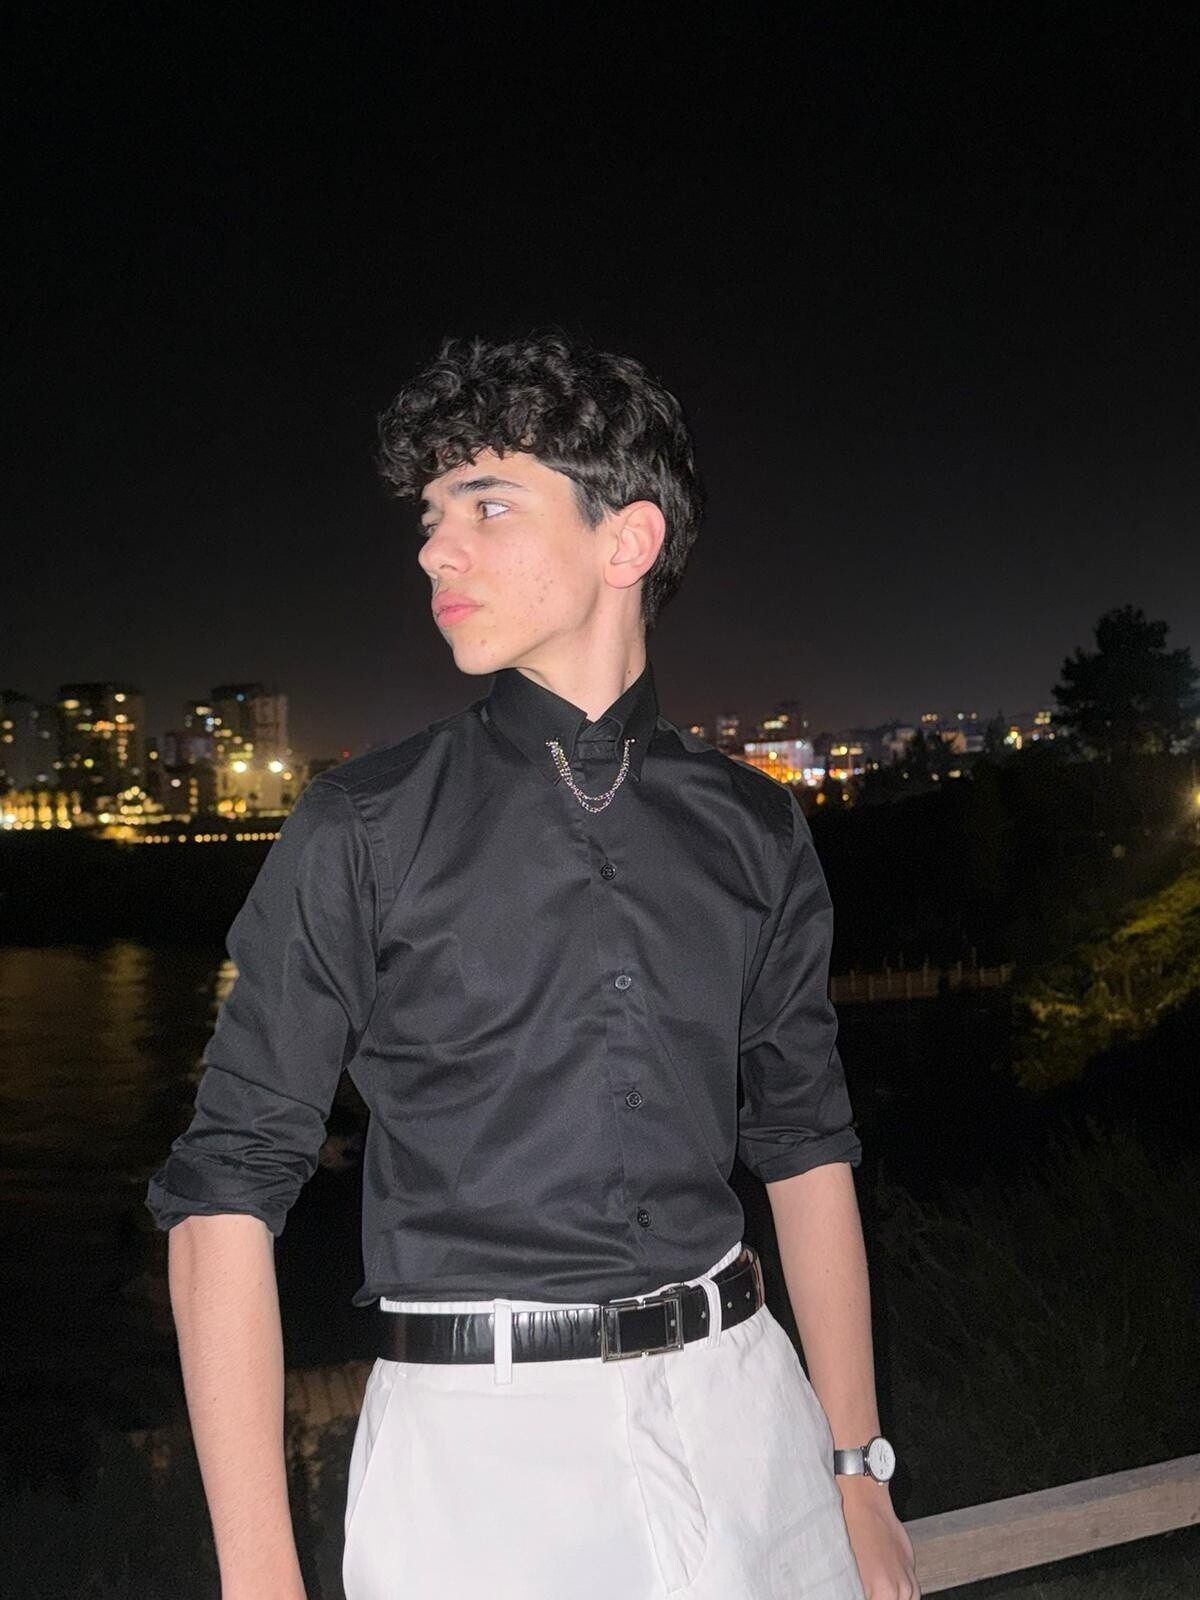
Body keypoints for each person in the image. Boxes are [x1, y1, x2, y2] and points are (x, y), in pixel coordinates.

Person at [146, 332, 919, 1600]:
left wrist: (855, 1465)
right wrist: (260, 1576)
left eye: (486, 503)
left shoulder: (756, 826)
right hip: (480, 1461)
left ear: (628, 540)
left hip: (751, 1414)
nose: (434, 549)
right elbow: (223, 1192)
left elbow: (805, 1146)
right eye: (432, 516)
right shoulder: (361, 826)